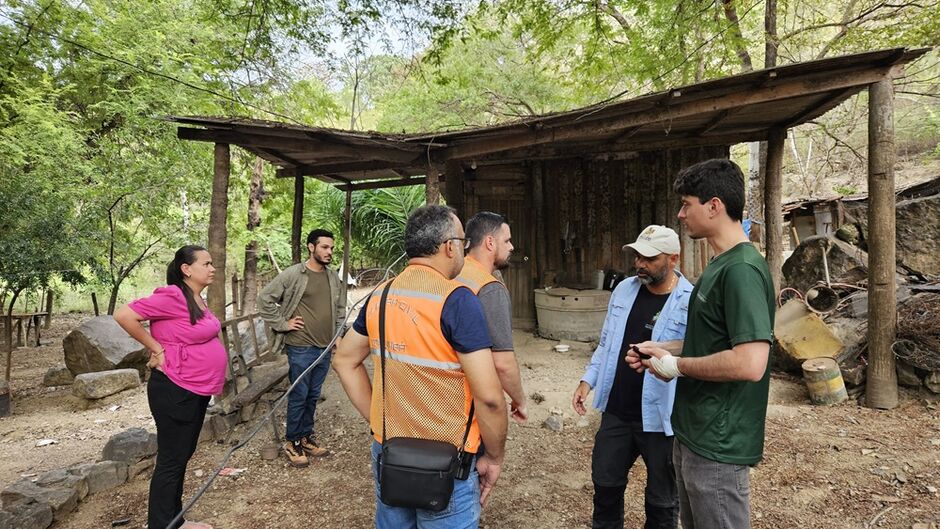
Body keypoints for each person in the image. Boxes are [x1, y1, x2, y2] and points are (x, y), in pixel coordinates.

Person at [333, 204, 508, 528]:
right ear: (448, 246)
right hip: (447, 462)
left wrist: (378, 420)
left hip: (390, 452)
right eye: (462, 241)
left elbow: (344, 360)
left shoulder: (380, 296)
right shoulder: (457, 300)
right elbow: (491, 398)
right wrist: (495, 457)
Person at [628, 159, 775, 529]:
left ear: (714, 206)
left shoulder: (741, 270)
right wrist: (664, 349)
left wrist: (676, 367)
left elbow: (750, 362)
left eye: (686, 203)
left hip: (719, 444)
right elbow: (712, 340)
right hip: (694, 433)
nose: (680, 214)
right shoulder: (719, 263)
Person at [572, 225, 691, 529]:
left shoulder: (689, 300)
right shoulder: (625, 289)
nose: (639, 263)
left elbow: (693, 356)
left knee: (662, 502)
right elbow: (606, 342)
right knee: (606, 487)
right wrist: (588, 380)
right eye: (638, 256)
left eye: (649, 258)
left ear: (673, 258)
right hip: (618, 410)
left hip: (661, 418)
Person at [114, 245, 227, 529]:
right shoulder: (173, 295)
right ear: (186, 269)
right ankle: (163, 524)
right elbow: (123, 315)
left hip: (194, 389)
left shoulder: (196, 299)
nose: (212, 268)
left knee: (180, 455)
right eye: (206, 263)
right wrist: (156, 348)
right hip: (175, 389)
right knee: (172, 459)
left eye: (212, 263)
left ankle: (173, 520)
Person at [257, 229, 347, 467]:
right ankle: (292, 441)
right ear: (311, 247)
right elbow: (264, 299)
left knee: (313, 395)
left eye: (331, 248)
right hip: (301, 345)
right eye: (325, 247)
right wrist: (282, 324)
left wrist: (338, 335)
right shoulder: (295, 274)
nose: (329, 252)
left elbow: (339, 309)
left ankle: (306, 437)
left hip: (324, 346)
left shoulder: (331, 276)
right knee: (299, 394)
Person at [458, 211, 527, 423]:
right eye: (506, 240)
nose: (512, 247)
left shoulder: (454, 273)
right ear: (490, 242)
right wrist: (519, 399)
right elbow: (502, 363)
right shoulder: (489, 288)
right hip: (470, 400)